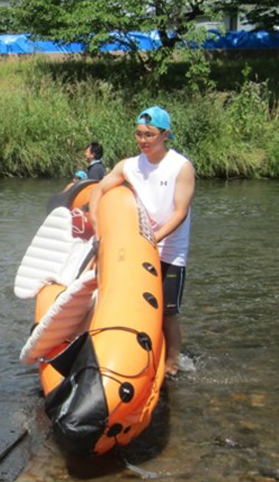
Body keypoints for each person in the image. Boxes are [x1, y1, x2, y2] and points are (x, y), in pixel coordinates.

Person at [88, 106, 195, 376]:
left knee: (168, 312)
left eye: (149, 135)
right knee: (134, 304)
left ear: (165, 134)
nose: (143, 140)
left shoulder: (180, 167)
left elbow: (180, 212)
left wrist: (153, 240)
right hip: (139, 248)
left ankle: (171, 364)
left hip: (170, 250)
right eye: (138, 134)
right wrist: (96, 226)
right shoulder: (129, 165)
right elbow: (99, 190)